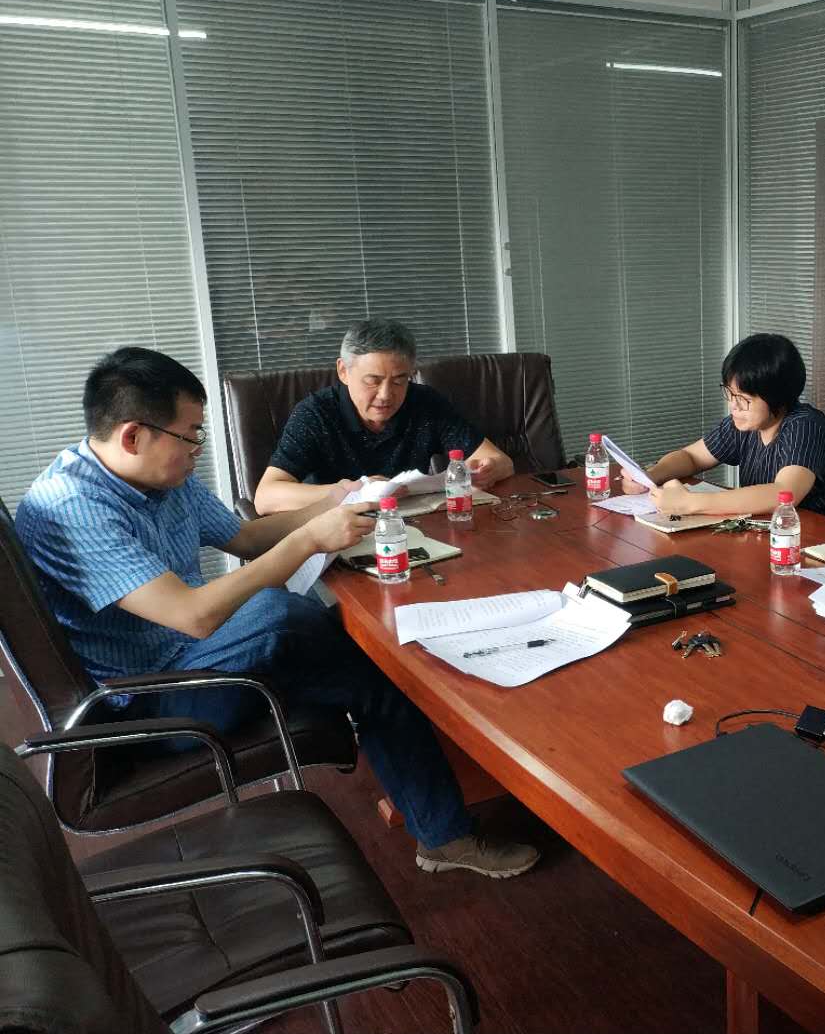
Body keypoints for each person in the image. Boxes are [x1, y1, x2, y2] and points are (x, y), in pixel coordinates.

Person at [17, 347, 538, 878]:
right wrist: (310, 539)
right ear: (133, 436)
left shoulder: (154, 475)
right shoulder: (73, 508)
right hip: (153, 698)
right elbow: (193, 616)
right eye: (191, 435)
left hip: (195, 651)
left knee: (366, 661)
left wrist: (336, 502)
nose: (198, 448)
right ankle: (457, 810)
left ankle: (447, 827)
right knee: (286, 617)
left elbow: (245, 537)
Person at [253, 319, 514, 514]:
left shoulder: (425, 403)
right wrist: (355, 490)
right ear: (343, 371)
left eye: (399, 381)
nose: (386, 395)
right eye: (373, 380)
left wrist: (487, 470)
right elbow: (266, 497)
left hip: (409, 526)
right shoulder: (315, 414)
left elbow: (502, 462)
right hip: (338, 534)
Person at [619, 333, 825, 523]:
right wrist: (651, 475)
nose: (733, 405)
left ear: (777, 398)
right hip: (770, 533)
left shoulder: (805, 426)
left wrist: (690, 503)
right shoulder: (744, 423)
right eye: (730, 393)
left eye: (744, 398)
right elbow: (691, 457)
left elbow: (784, 493)